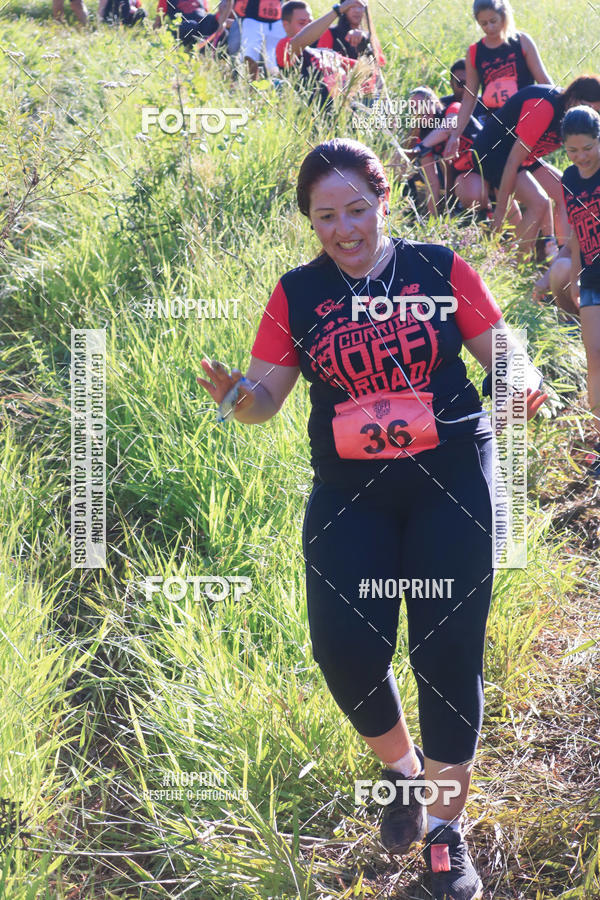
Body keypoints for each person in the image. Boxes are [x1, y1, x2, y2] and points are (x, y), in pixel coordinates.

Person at [198, 138, 546, 899]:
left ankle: (449, 839)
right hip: (350, 490)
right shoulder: (297, 294)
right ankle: (405, 773)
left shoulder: (437, 269)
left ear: (384, 200)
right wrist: (233, 397)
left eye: (358, 208)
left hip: (450, 476)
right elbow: (262, 404)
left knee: (445, 653)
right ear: (311, 221)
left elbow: (501, 349)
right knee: (344, 650)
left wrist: (522, 378)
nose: (346, 228)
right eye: (327, 216)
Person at [468, 76, 600, 259]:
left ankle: (562, 256)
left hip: (523, 156)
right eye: (588, 106)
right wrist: (500, 210)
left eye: (595, 111)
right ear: (574, 97)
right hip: (493, 154)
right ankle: (517, 262)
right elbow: (513, 160)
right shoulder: (545, 107)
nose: (588, 113)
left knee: (566, 190)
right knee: (539, 202)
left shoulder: (578, 117)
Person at [561, 106, 600, 475]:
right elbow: (575, 231)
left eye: (587, 147)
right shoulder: (569, 179)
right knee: (595, 359)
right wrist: (574, 276)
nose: (581, 157)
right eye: (573, 151)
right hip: (590, 278)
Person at [448, 0, 551, 138]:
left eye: (493, 21)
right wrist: (455, 136)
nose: (489, 27)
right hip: (496, 122)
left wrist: (561, 107)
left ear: (503, 16)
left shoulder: (522, 41)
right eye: (484, 23)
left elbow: (544, 82)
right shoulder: (474, 52)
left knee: (517, 158)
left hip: (525, 119)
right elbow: (469, 98)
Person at [276, 0, 362, 103]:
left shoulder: (323, 52)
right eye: (302, 23)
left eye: (311, 23)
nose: (308, 27)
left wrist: (364, 39)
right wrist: (337, 11)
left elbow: (364, 68)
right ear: (286, 25)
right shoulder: (285, 48)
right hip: (316, 114)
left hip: (346, 109)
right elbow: (301, 40)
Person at [234, 0, 285, 78]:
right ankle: (252, 85)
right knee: (250, 53)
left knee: (276, 58)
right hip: (253, 19)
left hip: (278, 20)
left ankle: (276, 84)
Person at [153, 0, 233, 47]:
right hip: (184, 27)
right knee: (191, 25)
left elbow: (206, 14)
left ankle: (208, 48)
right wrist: (155, 36)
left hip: (201, 25)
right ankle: (200, 48)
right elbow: (158, 21)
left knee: (214, 21)